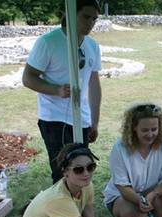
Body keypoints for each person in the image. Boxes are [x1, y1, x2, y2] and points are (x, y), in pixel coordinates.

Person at [22, 0, 102, 184]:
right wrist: (56, 90)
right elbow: (28, 78)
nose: (90, 23)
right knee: (63, 172)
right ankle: (62, 211)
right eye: (86, 17)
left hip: (81, 118)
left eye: (94, 19)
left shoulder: (92, 46)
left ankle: (78, 210)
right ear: (70, 13)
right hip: (53, 118)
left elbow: (94, 84)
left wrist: (94, 121)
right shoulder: (48, 42)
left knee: (82, 170)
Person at [103, 103, 162, 217]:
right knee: (134, 215)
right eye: (145, 130)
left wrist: (153, 194)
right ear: (133, 128)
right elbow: (122, 185)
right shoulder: (120, 148)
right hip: (122, 196)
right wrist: (139, 200)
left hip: (151, 194)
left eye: (154, 129)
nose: (150, 134)